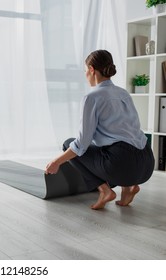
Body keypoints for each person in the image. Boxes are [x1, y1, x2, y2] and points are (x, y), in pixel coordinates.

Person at [45, 49, 155, 210]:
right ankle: (129, 188)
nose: (85, 75)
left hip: (123, 164)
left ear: (91, 69)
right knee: (119, 142)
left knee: (68, 143)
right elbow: (132, 129)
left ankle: (105, 191)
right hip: (146, 163)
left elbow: (81, 144)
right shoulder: (123, 93)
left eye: (85, 71)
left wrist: (56, 162)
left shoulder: (92, 97)